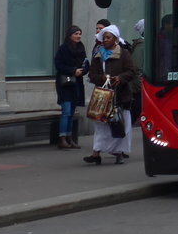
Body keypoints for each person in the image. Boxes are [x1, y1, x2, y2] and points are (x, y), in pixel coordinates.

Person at [84, 24, 136, 165]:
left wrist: (120, 78)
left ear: (115, 39)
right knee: (100, 126)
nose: (105, 40)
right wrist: (102, 78)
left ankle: (119, 153)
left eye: (108, 37)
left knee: (119, 125)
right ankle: (96, 153)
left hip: (120, 97)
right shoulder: (98, 54)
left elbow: (131, 71)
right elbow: (92, 75)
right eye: (104, 37)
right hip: (103, 97)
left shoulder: (124, 54)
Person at [54, 25, 89, 148]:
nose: (78, 36)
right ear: (70, 35)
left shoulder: (81, 48)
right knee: (66, 111)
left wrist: (82, 71)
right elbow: (58, 64)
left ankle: (70, 137)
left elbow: (86, 64)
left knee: (72, 112)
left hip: (76, 83)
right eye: (76, 33)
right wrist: (73, 70)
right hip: (65, 83)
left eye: (80, 33)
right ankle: (62, 138)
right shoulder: (63, 48)